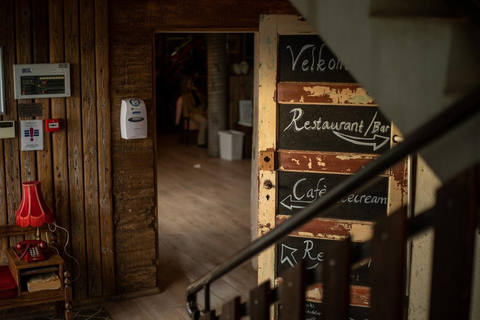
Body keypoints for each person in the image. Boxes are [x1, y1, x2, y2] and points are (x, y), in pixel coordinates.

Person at [175, 77, 208, 147]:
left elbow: (201, 101)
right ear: (185, 85)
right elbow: (191, 108)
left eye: (192, 83)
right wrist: (201, 112)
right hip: (191, 114)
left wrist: (197, 92)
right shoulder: (185, 95)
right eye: (190, 83)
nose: (191, 85)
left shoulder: (193, 92)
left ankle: (207, 140)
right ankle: (201, 142)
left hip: (198, 110)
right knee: (204, 121)